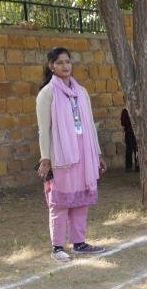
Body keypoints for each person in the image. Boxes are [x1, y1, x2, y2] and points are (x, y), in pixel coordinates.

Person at [36, 47, 106, 262]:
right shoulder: (47, 93)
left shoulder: (81, 92)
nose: (65, 66)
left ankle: (79, 243)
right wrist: (45, 158)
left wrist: (97, 153)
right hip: (61, 157)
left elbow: (90, 125)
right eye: (60, 62)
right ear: (51, 66)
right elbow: (43, 129)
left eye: (68, 61)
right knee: (60, 202)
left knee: (80, 199)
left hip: (83, 153)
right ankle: (57, 247)